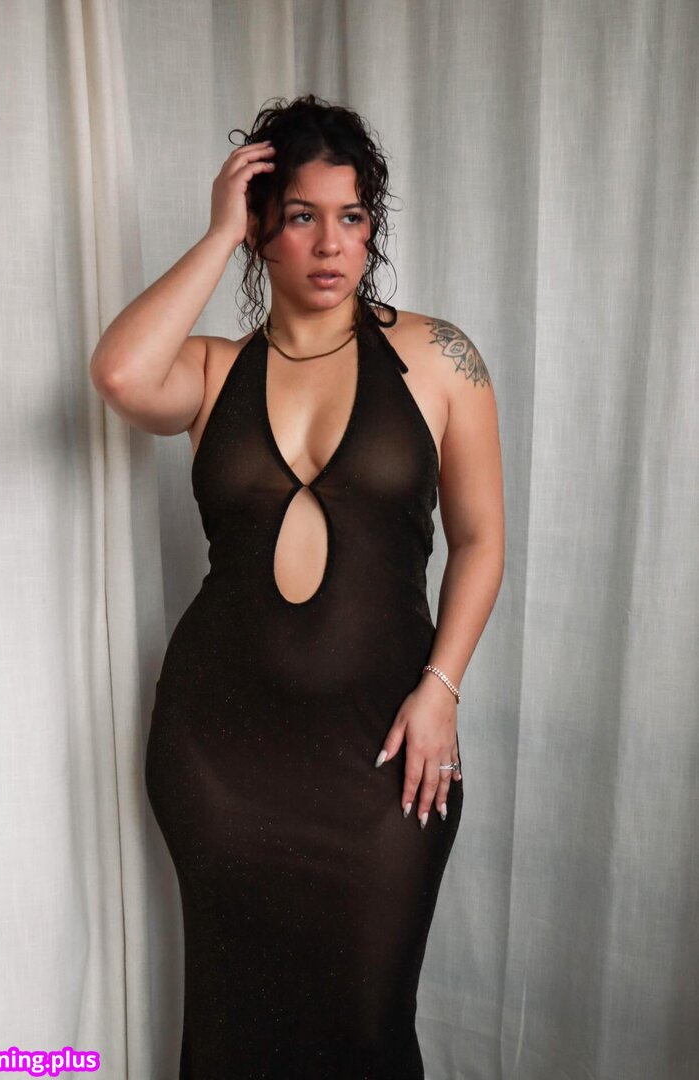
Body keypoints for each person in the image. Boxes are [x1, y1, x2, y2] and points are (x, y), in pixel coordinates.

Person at [90, 94, 504, 1080]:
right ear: (262, 232)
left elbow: (482, 540)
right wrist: (216, 233)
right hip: (220, 754)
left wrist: (441, 688)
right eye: (300, 217)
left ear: (373, 225)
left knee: (367, 1028)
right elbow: (118, 374)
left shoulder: (439, 359)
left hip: (386, 749)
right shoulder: (212, 371)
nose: (330, 245)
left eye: (352, 216)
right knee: (232, 1030)